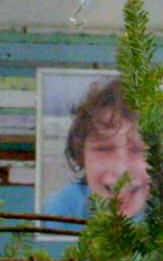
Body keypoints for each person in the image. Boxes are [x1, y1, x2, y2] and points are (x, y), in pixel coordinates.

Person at [41, 79, 152, 224]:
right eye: (104, 149)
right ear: (81, 157)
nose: (120, 170)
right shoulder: (57, 212)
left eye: (138, 150)